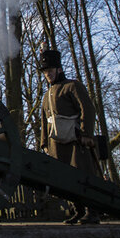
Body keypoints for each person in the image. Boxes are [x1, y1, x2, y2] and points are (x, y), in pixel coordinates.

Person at [38, 49, 101, 225]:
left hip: (75, 139)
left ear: (59, 69)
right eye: (45, 72)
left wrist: (86, 133)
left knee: (83, 174)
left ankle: (91, 211)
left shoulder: (72, 86)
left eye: (50, 71)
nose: (48, 75)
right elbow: (44, 121)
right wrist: (44, 143)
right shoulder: (46, 96)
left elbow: (87, 109)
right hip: (56, 143)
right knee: (65, 179)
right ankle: (77, 210)